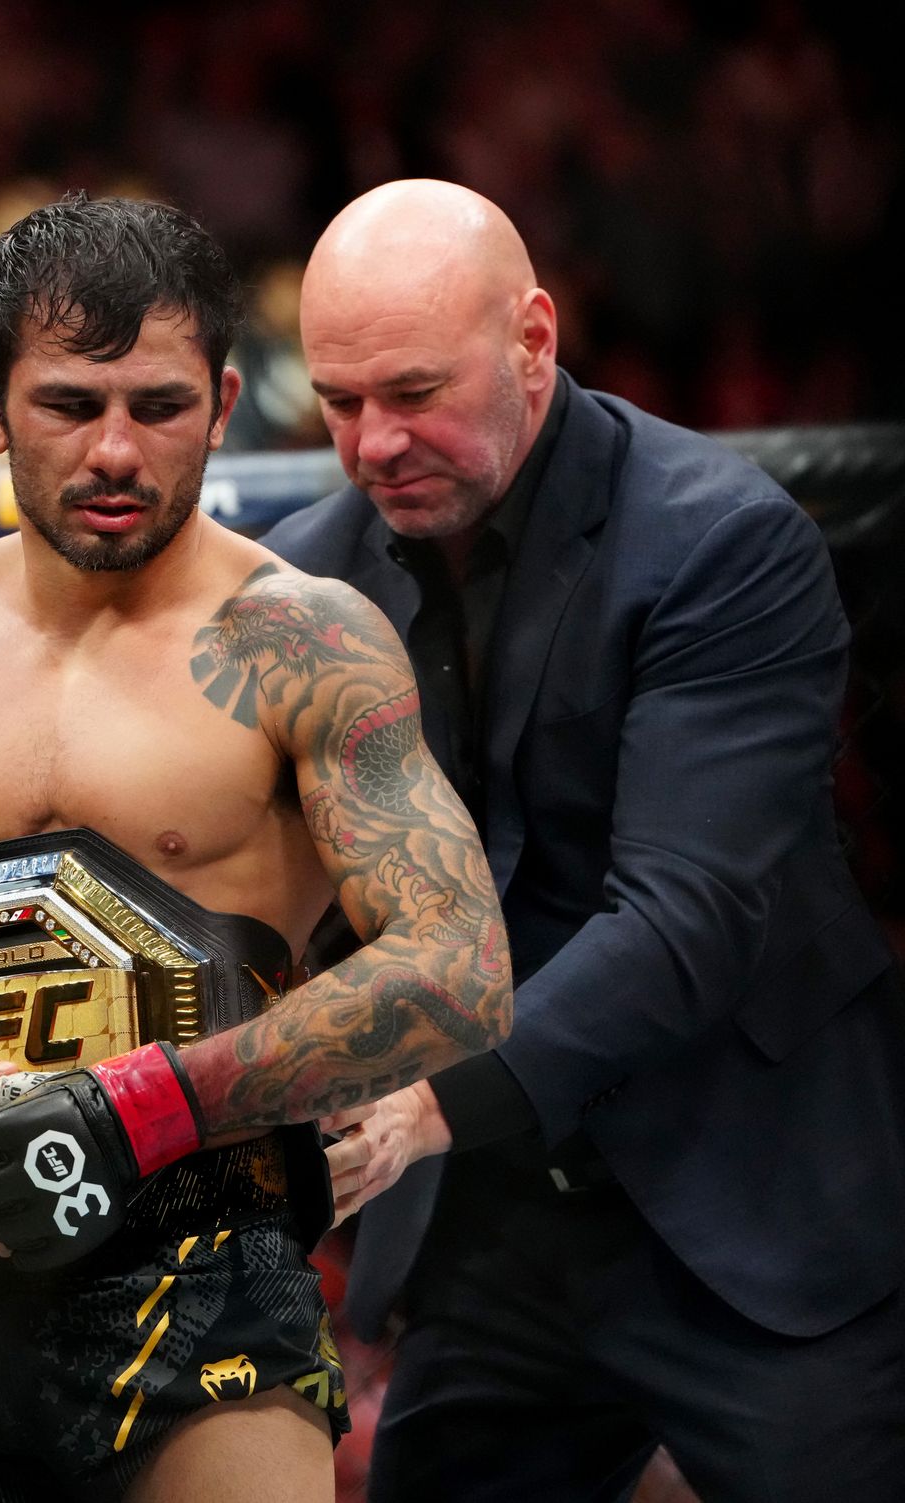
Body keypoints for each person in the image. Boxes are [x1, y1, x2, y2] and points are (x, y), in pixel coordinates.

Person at [0, 192, 513, 1503]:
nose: (114, 450)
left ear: (221, 405)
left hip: (209, 1280)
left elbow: (459, 966)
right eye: (69, 405)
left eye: (158, 407)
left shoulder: (301, 640)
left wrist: (143, 1108)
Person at [260, 178, 905, 1503]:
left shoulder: (721, 541)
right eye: (339, 403)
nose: (375, 443)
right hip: (488, 1225)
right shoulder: (305, 580)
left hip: (743, 1185)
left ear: (533, 342)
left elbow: (686, 918)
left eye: (414, 391)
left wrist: (420, 1106)